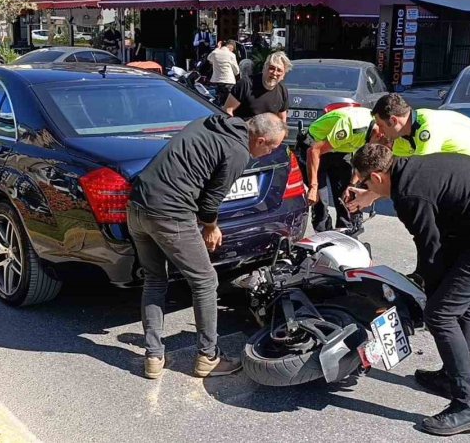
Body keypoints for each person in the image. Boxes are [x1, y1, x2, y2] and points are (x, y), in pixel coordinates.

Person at [350, 144, 470, 436]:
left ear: (375, 176)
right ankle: (452, 378)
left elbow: (430, 249)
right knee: (466, 304)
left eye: (363, 181)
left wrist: (426, 291)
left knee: (440, 314)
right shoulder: (411, 170)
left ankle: (467, 405)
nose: (363, 186)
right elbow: (437, 244)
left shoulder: (410, 194)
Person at [129, 113, 287, 380]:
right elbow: (210, 202)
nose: (271, 152)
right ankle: (208, 357)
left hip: (137, 207)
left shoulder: (209, 123)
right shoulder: (238, 151)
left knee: (155, 280)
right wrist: (210, 227)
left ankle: (153, 357)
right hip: (171, 214)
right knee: (205, 281)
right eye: (271, 146)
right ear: (259, 140)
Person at [360, 93, 470, 324]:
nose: (380, 132)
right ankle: (428, 277)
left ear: (394, 121)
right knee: (437, 231)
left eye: (380, 125)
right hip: (461, 176)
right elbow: (390, 177)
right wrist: (368, 193)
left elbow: (417, 180)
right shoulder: (404, 135)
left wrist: (370, 196)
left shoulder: (427, 131)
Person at [302, 106, 386, 231]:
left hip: (342, 149)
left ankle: (347, 233)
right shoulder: (353, 128)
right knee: (320, 199)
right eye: (379, 146)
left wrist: (351, 184)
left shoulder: (379, 131)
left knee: (347, 195)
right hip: (316, 147)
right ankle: (323, 234)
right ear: (379, 135)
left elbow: (362, 162)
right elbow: (313, 151)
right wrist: (313, 187)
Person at [224, 51, 292, 121]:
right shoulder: (245, 84)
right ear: (264, 68)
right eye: (271, 68)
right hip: (243, 130)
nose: (274, 73)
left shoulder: (282, 90)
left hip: (268, 131)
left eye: (279, 70)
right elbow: (227, 110)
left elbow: (282, 118)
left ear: (283, 75)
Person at [207, 39, 240, 106]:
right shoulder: (231, 55)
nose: (232, 50)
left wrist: (217, 48)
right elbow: (236, 71)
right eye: (233, 49)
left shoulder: (215, 53)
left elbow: (209, 58)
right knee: (227, 102)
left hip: (218, 80)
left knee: (220, 99)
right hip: (229, 81)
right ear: (231, 47)